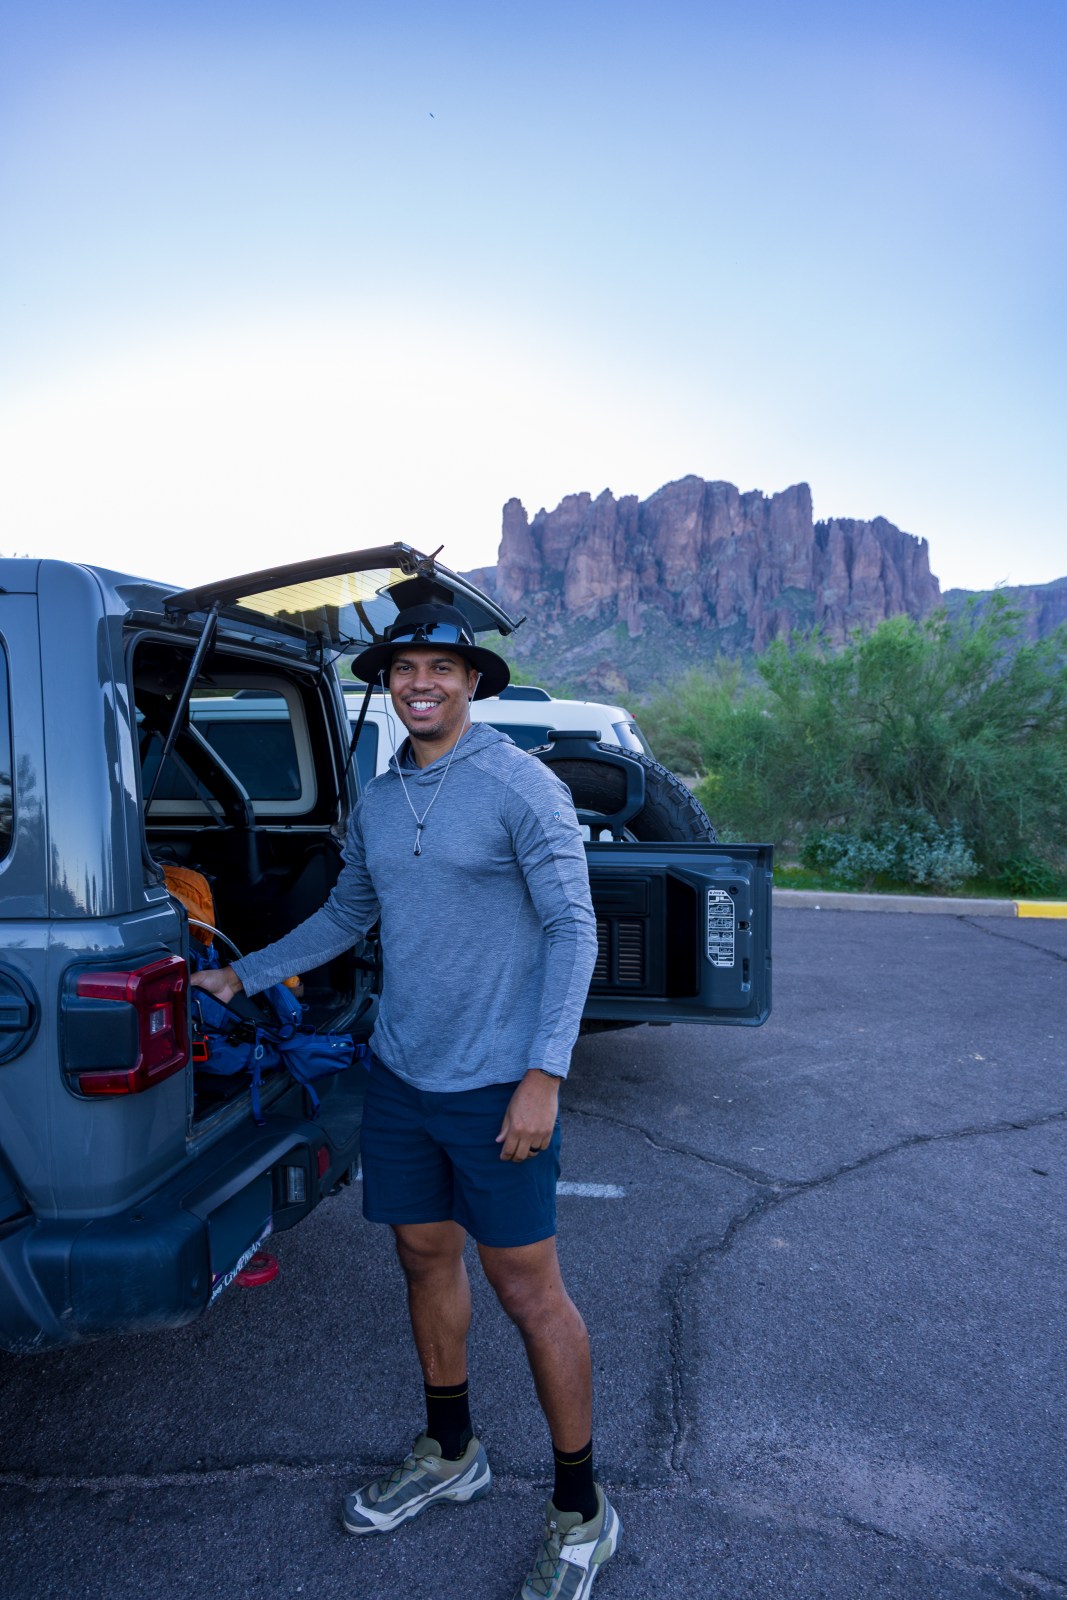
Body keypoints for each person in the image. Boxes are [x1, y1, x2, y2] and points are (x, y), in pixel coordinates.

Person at [190, 602, 620, 1599]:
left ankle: (581, 1510)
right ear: (388, 683)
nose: (420, 682)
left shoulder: (521, 786)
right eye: (404, 668)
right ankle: (450, 1450)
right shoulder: (380, 800)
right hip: (401, 1074)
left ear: (471, 682)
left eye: (440, 667)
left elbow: (573, 927)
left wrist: (544, 1074)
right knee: (423, 1256)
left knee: (528, 1291)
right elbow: (348, 912)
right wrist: (243, 974)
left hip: (498, 1085)